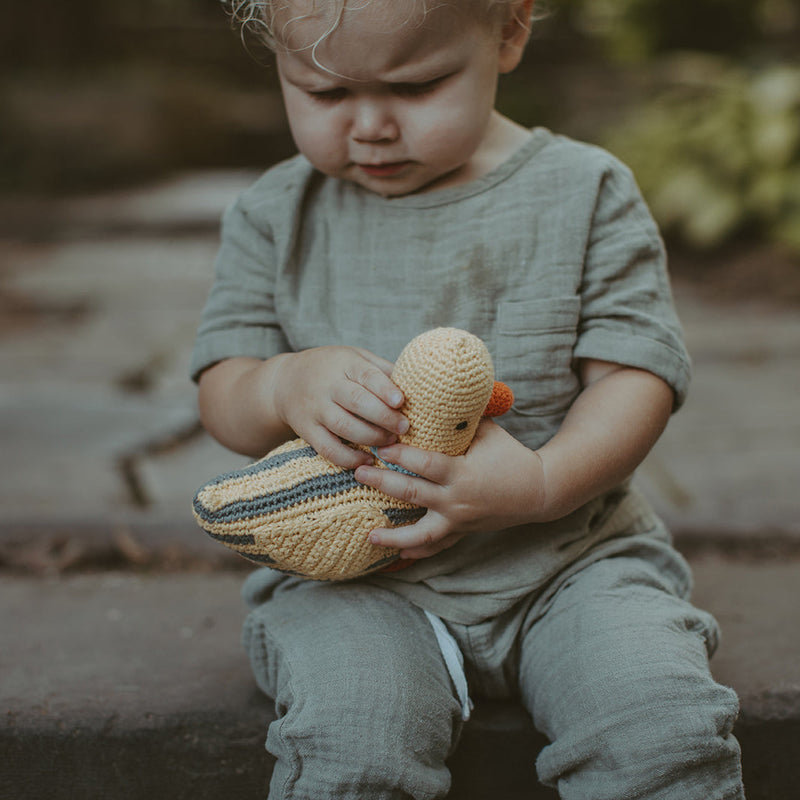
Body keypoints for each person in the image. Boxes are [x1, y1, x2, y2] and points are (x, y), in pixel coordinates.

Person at [190, 0, 746, 797]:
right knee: (355, 733)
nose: (372, 126)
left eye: (417, 87)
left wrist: (545, 483)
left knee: (657, 723)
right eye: (324, 93)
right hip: (356, 583)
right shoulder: (275, 216)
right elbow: (223, 391)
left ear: (510, 31)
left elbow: (635, 375)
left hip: (571, 561)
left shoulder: (584, 191)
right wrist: (282, 382)